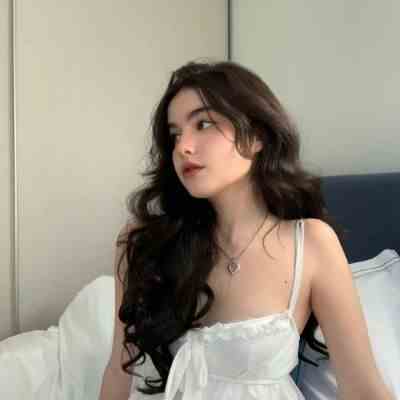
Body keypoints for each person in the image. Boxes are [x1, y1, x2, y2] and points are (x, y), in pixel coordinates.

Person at [99, 60, 395, 400]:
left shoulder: (311, 243)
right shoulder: (144, 243)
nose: (183, 147)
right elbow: (118, 373)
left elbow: (363, 388)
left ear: (256, 136)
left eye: (204, 124)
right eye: (175, 134)